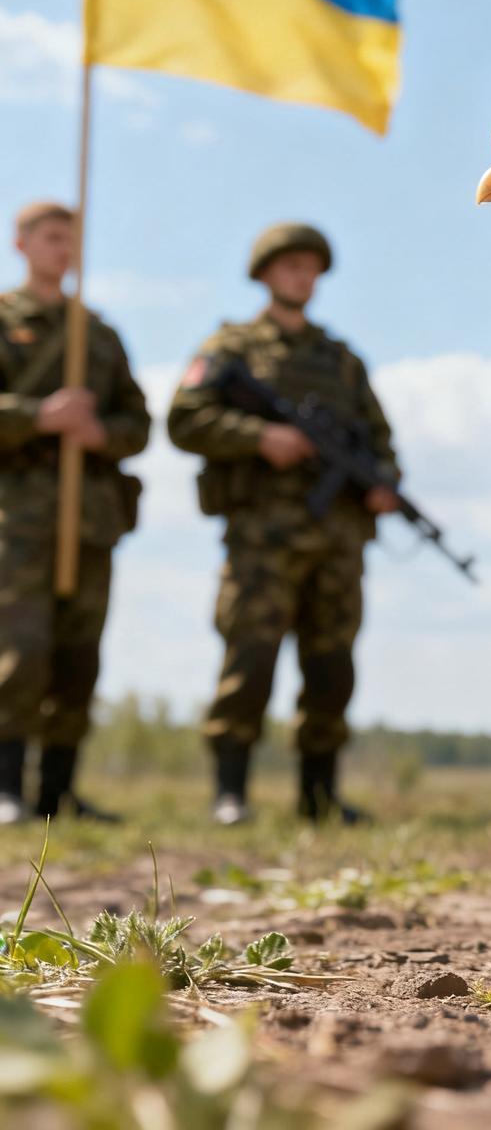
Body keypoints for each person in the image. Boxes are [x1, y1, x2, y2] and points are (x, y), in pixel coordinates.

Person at [167, 224, 399, 825]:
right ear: (266, 274)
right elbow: (185, 419)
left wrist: (383, 484)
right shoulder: (232, 348)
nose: (303, 277)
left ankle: (318, 797)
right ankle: (230, 793)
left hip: (336, 542)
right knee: (249, 661)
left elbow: (378, 441)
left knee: (331, 668)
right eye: (291, 266)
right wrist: (260, 436)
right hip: (261, 541)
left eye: (312, 268)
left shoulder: (341, 361)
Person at [0, 200, 150, 822]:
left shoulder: (100, 334)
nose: (63, 249)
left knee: (78, 655)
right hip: (19, 518)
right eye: (52, 237)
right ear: (23, 243)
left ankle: (57, 792)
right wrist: (37, 416)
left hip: (89, 518)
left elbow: (137, 424)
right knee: (20, 650)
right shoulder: (5, 322)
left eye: (71, 239)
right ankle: (6, 787)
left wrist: (99, 434)